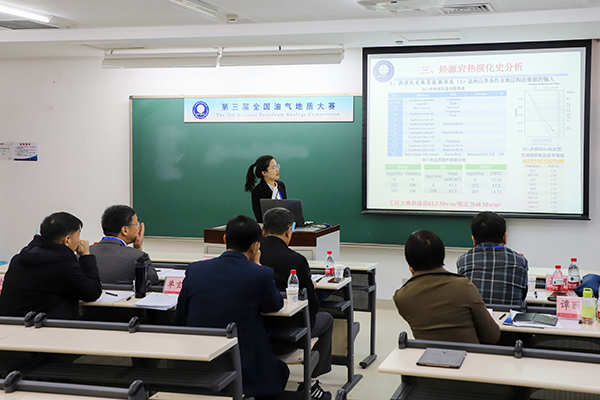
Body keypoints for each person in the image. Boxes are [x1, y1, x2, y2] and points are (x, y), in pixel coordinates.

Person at [174, 215, 288, 400]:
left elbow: (180, 317)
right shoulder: (260, 274)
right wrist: (257, 265)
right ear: (255, 246)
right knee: (280, 371)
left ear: (224, 238)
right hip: (240, 364)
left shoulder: (195, 269)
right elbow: (275, 304)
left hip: (196, 359)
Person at [260, 208, 333, 400]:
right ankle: (312, 381)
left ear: (263, 230)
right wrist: (312, 290)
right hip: (287, 335)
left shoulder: (252, 255)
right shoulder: (296, 260)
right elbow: (312, 306)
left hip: (256, 331)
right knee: (326, 318)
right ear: (289, 231)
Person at [394, 230, 500, 344]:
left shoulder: (401, 297)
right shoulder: (463, 286)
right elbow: (492, 336)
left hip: (429, 354)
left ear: (410, 265)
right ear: (442, 256)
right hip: (469, 354)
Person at [0, 212, 102, 319]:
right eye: (78, 235)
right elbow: (92, 292)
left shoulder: (18, 259)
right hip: (45, 326)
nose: (80, 241)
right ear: (67, 240)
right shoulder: (64, 266)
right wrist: (86, 256)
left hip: (10, 324)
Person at [457, 211, 528, 306]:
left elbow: (462, 295)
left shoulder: (463, 260)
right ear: (505, 238)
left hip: (475, 315)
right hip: (509, 314)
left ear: (474, 240)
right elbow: (522, 295)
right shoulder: (520, 261)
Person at [90, 205, 159, 285]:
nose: (139, 228)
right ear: (125, 230)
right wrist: (139, 249)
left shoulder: (85, 253)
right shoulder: (138, 257)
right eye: (137, 224)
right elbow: (153, 281)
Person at [245, 155, 287, 223]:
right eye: (274, 167)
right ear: (264, 172)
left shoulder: (281, 185)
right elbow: (259, 217)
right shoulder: (258, 191)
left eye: (277, 166)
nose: (277, 170)